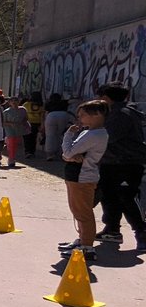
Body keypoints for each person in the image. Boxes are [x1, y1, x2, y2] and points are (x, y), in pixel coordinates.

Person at [94, 82, 146, 251]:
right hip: (112, 163)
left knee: (126, 197)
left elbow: (107, 137)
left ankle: (142, 233)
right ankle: (112, 229)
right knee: (108, 196)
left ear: (106, 98)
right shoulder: (116, 112)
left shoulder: (120, 114)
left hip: (126, 163)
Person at [57, 101, 110, 262]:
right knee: (77, 210)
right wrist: (69, 155)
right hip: (76, 175)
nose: (79, 118)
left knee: (83, 212)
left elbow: (68, 152)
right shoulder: (89, 132)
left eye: (83, 115)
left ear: (97, 115)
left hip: (82, 177)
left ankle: (87, 246)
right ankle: (82, 240)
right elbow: (69, 155)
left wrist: (67, 136)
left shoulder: (94, 134)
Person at [42, 94, 73, 161]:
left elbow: (45, 113)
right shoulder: (64, 102)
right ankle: (62, 152)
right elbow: (73, 101)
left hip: (51, 116)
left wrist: (43, 124)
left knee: (50, 136)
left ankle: (50, 154)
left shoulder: (49, 103)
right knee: (61, 135)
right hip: (63, 115)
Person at [2, 97, 29, 168]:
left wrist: (23, 123)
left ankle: (12, 155)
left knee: (16, 144)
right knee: (12, 143)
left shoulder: (23, 110)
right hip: (9, 129)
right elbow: (3, 122)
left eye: (16, 100)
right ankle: (11, 159)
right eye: (12, 101)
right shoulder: (6, 112)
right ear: (9, 102)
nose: (14, 102)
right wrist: (11, 124)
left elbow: (26, 118)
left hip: (19, 129)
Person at [23, 91, 44, 157]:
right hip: (37, 123)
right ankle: (32, 151)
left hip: (27, 123)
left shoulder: (26, 104)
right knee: (34, 137)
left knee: (27, 138)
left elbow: (23, 113)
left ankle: (27, 151)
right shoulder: (41, 105)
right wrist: (42, 124)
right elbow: (42, 116)